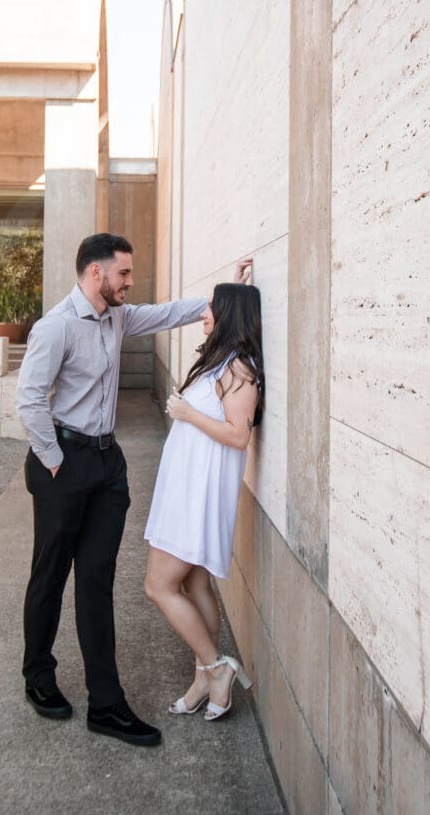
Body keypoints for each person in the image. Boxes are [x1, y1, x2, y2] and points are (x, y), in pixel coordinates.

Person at [16, 232, 252, 747]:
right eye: (123, 273)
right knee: (50, 574)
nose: (130, 282)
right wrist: (57, 463)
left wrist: (226, 298)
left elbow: (169, 313)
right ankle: (38, 677)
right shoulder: (56, 327)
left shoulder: (119, 316)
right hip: (63, 462)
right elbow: (30, 400)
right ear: (96, 273)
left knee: (96, 582)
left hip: (107, 465)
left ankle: (107, 704)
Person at [143, 281, 264, 723]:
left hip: (195, 498)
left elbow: (238, 435)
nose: (204, 314)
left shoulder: (240, 371)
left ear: (228, 315)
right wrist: (238, 279)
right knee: (194, 585)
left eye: (213, 308)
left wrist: (188, 414)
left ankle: (217, 669)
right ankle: (202, 681)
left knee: (158, 586)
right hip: (183, 489)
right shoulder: (222, 363)